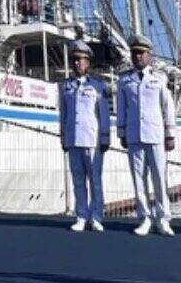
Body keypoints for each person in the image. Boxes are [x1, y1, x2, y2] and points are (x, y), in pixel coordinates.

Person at [115, 34, 175, 237]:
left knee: (159, 177)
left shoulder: (159, 78)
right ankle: (144, 218)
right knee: (138, 179)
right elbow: (121, 108)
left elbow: (167, 107)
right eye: (135, 53)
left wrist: (170, 133)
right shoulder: (124, 80)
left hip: (156, 134)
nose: (138, 57)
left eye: (141, 53)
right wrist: (121, 132)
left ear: (149, 55)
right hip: (134, 135)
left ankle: (164, 218)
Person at [58, 41, 110, 232]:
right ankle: (81, 215)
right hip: (73, 139)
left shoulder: (97, 86)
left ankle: (96, 215)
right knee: (78, 179)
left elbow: (103, 113)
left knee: (95, 179)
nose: (78, 64)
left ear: (88, 63)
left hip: (92, 139)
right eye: (75, 60)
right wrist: (63, 137)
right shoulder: (66, 87)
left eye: (81, 60)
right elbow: (63, 115)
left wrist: (105, 137)